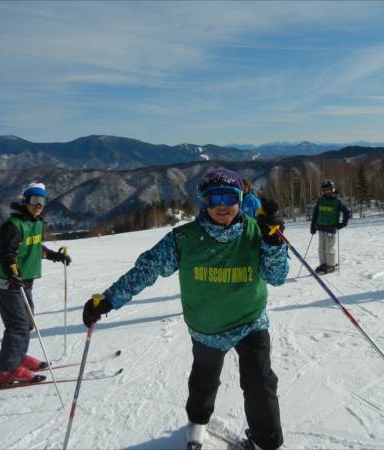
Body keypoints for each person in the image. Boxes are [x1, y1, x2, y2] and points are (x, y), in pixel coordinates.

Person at [82, 169, 288, 450]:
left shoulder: (256, 233)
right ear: (203, 201)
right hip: (206, 327)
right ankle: (198, 421)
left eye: (229, 197)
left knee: (260, 383)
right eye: (213, 198)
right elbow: (147, 270)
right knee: (204, 379)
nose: (221, 206)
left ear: (241, 199)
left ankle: (267, 441)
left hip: (249, 321)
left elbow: (277, 276)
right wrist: (108, 300)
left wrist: (274, 242)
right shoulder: (184, 239)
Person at [0, 182, 72, 385]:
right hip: (8, 282)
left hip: (24, 280)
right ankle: (6, 370)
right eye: (34, 201)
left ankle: (18, 357)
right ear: (26, 201)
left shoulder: (35, 223)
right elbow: (7, 253)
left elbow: (35, 247)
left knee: (26, 322)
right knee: (17, 325)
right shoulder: (13, 225)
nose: (38, 205)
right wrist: (13, 273)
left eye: (41, 201)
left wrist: (54, 256)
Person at [310, 179, 350, 274]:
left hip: (331, 228)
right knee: (321, 247)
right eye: (325, 190)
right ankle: (323, 264)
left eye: (329, 189)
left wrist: (343, 223)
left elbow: (346, 212)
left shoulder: (337, 201)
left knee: (329, 248)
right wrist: (313, 225)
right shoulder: (321, 200)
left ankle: (330, 265)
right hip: (320, 227)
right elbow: (315, 213)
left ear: (333, 189)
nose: (327, 191)